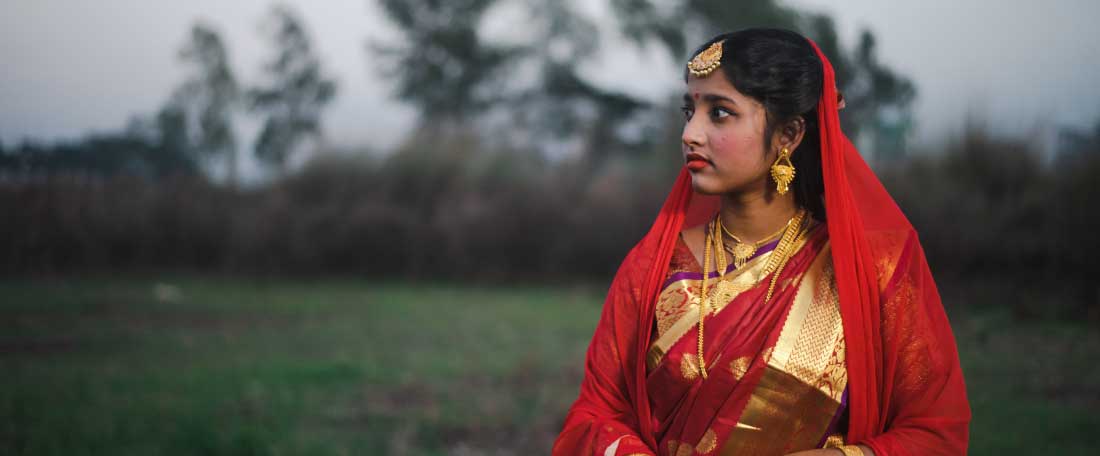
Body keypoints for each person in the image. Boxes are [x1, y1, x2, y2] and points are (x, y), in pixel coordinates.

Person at [552, 29, 970, 456]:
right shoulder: (654, 268)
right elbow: (596, 415)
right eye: (689, 110)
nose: (690, 133)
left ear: (788, 135)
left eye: (719, 113)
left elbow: (934, 433)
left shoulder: (870, 271)